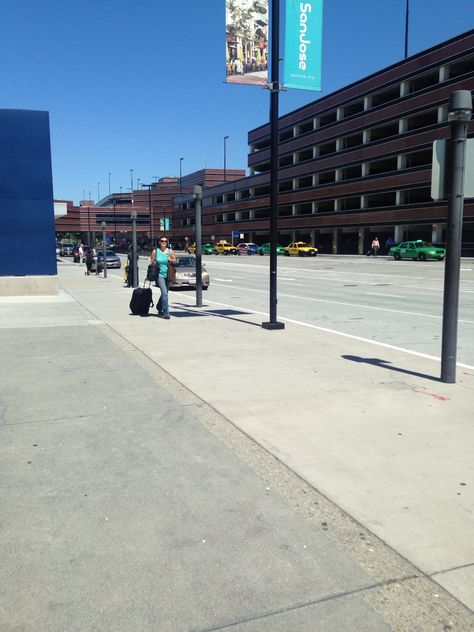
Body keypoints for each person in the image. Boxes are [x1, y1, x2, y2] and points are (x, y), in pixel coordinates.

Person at [150, 237, 176, 320]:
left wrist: (171, 259)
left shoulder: (170, 251)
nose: (164, 242)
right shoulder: (155, 252)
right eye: (162, 241)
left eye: (165, 241)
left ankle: (158, 306)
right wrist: (154, 262)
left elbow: (175, 260)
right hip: (159, 275)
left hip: (168, 275)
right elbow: (152, 262)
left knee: (165, 294)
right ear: (159, 242)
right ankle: (166, 313)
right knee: (164, 293)